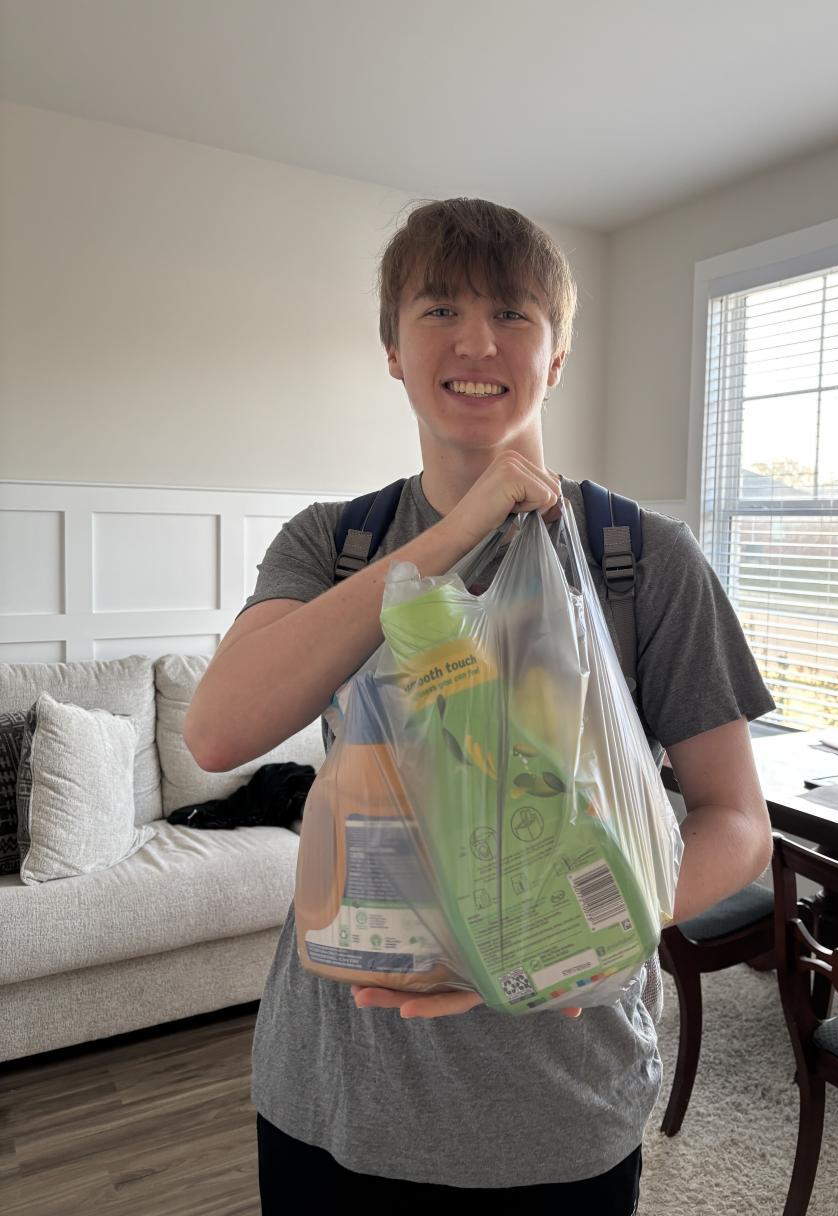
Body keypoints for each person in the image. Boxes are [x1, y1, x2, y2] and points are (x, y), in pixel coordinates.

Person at [184, 198, 775, 1212]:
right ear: (392, 348)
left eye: (512, 313)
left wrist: (556, 939)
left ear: (556, 355)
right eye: (439, 309)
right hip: (335, 1095)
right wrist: (455, 532)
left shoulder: (642, 562)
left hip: (559, 1110)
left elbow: (737, 821)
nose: (476, 340)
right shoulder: (334, 543)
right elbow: (217, 731)